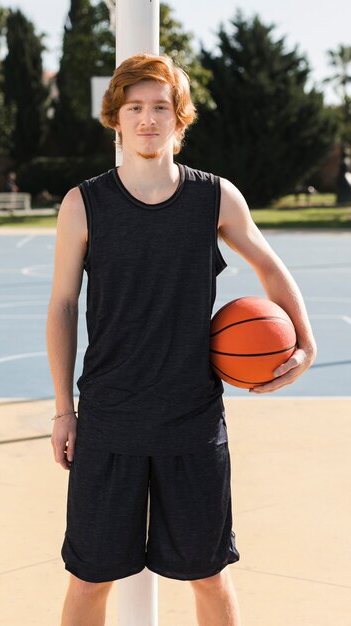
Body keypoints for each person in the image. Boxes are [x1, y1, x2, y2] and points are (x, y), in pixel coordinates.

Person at [46, 53, 317, 626]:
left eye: (160, 108)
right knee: (89, 580)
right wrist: (62, 410)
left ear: (180, 119)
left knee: (210, 575)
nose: (148, 119)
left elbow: (269, 266)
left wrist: (306, 344)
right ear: (116, 118)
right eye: (135, 108)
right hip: (108, 419)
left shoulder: (214, 198)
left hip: (191, 422)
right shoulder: (83, 204)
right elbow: (64, 304)